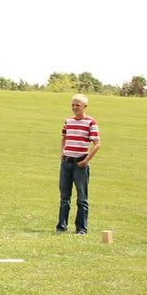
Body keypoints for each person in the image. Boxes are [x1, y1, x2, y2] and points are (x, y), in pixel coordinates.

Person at [56, 93, 100, 234]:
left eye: (78, 105)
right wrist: (62, 151)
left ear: (85, 106)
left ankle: (81, 228)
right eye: (73, 105)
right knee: (64, 197)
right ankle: (61, 226)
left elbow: (97, 144)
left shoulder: (91, 123)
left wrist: (86, 160)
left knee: (82, 198)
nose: (75, 108)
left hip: (80, 164)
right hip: (66, 162)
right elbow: (64, 137)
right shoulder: (68, 121)